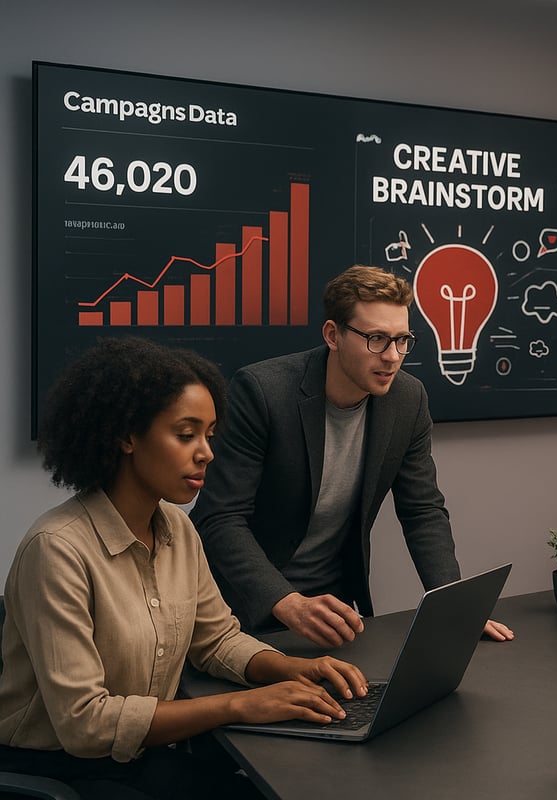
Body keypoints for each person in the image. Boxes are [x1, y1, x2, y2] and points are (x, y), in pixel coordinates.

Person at [0, 338, 369, 799]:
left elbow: (216, 640)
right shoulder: (56, 549)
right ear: (127, 437)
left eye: (209, 435)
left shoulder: (177, 527)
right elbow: (85, 724)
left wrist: (293, 669)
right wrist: (242, 705)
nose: (206, 453)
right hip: (57, 771)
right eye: (185, 434)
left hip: (138, 758)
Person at [191, 265, 512, 647]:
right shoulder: (263, 391)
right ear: (333, 335)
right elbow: (220, 518)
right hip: (243, 609)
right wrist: (287, 602)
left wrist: (456, 605)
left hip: (335, 608)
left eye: (402, 340)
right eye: (376, 339)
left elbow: (422, 510)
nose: (392, 356)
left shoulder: (408, 399)